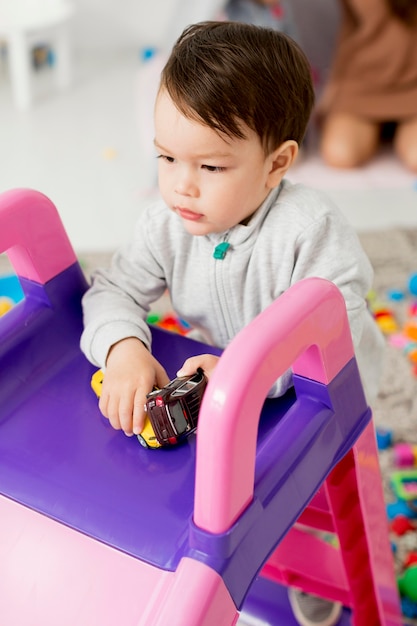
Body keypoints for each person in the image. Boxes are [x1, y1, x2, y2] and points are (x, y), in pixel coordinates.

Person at [81, 21, 384, 626]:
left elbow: (337, 328)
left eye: (211, 167)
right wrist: (123, 349)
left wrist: (246, 371)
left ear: (277, 164)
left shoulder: (308, 229)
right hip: (224, 388)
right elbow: (112, 289)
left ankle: (311, 565)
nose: (180, 185)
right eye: (167, 157)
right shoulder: (166, 222)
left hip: (319, 395)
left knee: (304, 495)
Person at [318, 0, 417, 171]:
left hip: (413, 85)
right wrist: (334, 87)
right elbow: (350, 26)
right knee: (340, 155)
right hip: (363, 80)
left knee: (415, 158)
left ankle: (395, 129)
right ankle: (383, 130)